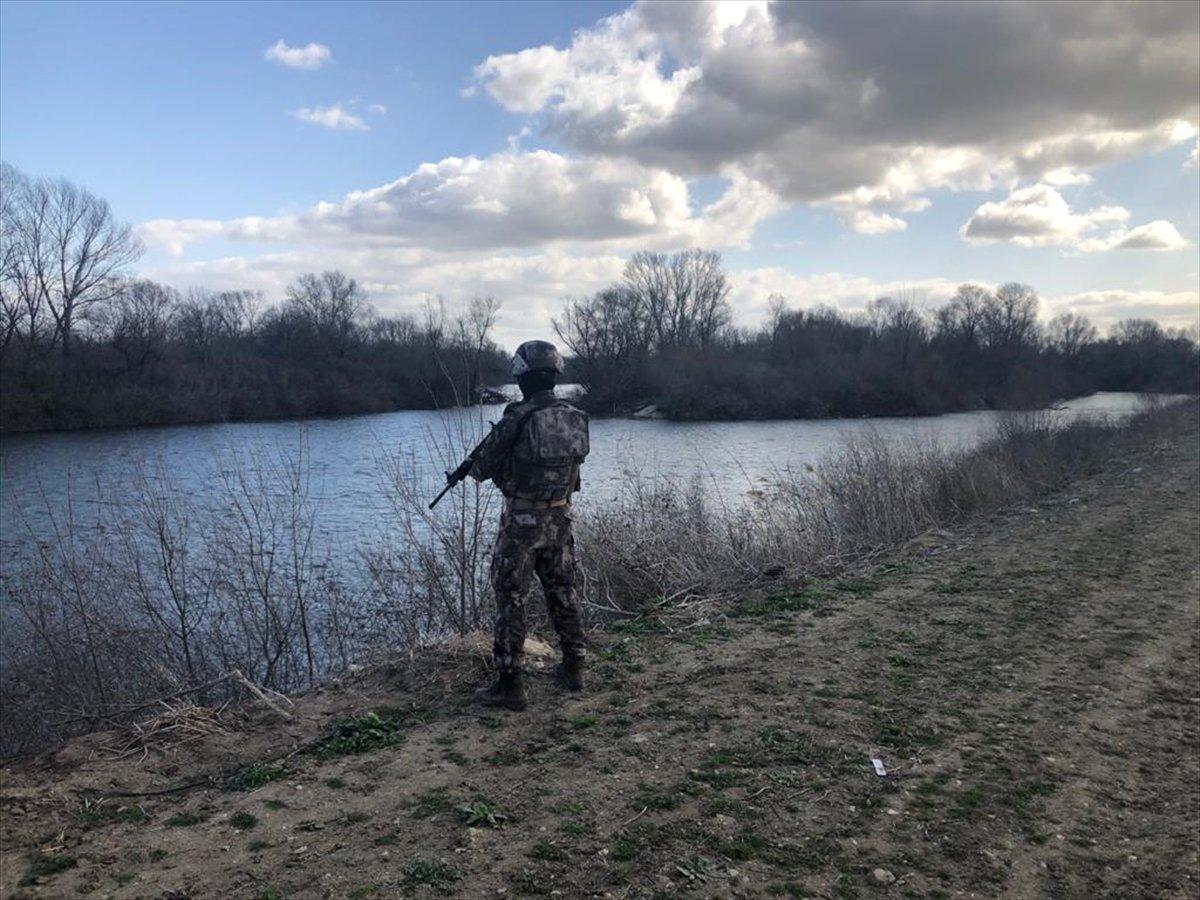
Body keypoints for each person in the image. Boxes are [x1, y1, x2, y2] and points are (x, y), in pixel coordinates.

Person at [468, 340, 590, 711]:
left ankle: (510, 684)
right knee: (563, 590)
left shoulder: (517, 416)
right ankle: (574, 666)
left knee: (512, 597)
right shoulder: (574, 415)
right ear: (554, 375)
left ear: (522, 376)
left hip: (522, 522)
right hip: (561, 517)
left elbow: (481, 467)